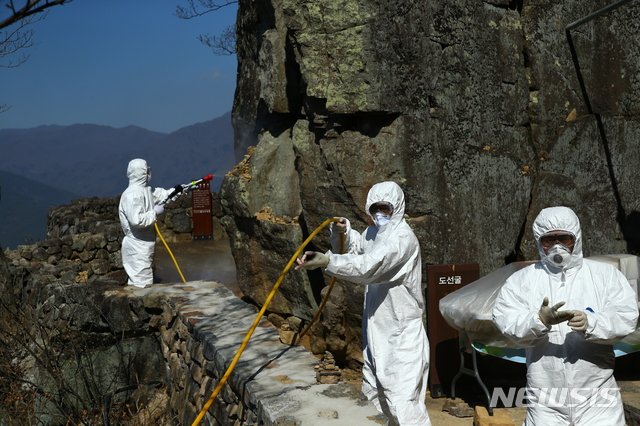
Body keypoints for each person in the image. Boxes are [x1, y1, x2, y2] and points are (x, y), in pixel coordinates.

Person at [295, 181, 431, 426]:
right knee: (374, 400)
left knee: (403, 404)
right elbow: (356, 248)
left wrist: (327, 260)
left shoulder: (402, 240)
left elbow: (368, 267)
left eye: (385, 208)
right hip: (376, 335)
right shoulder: (376, 235)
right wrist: (342, 230)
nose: (380, 213)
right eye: (375, 208)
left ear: (397, 207)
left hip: (401, 338)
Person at [493, 206, 638, 425]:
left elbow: (626, 316)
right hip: (545, 399)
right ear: (539, 241)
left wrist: (592, 323)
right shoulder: (522, 281)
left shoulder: (605, 276)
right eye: (549, 240)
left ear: (576, 238)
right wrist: (538, 321)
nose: (557, 246)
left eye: (564, 238)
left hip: (597, 396)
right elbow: (505, 320)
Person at [118, 158, 173, 288]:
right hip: (136, 246)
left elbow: (162, 195)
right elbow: (136, 220)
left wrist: (181, 189)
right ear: (141, 172)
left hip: (144, 244)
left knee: (144, 280)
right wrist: (154, 213)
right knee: (141, 284)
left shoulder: (145, 190)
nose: (149, 173)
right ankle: (139, 307)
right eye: (147, 171)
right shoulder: (132, 194)